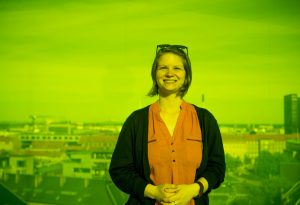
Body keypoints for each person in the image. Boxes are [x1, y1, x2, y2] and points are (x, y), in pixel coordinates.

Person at [109, 44, 225, 205]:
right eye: (163, 68)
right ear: (155, 74)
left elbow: (217, 168)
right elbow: (119, 170)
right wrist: (153, 191)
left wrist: (194, 189)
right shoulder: (137, 121)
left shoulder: (205, 120)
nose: (170, 73)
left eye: (177, 68)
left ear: (186, 75)